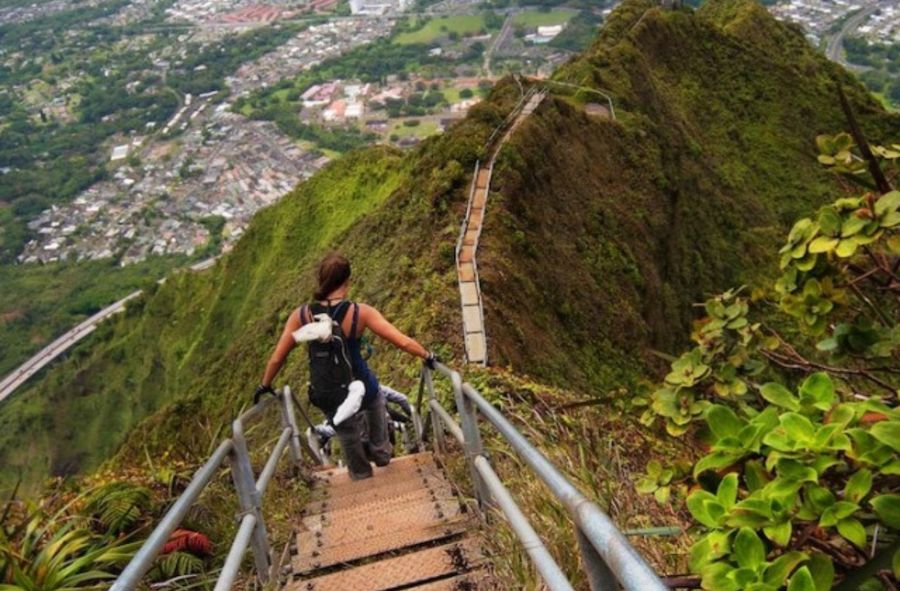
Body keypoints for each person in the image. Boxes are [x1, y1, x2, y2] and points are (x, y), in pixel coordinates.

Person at [255, 252, 437, 480]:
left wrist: (265, 384)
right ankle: (380, 452)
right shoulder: (360, 312)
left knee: (347, 434)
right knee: (376, 404)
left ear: (321, 280)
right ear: (347, 281)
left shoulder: (302, 315)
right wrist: (427, 355)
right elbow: (401, 341)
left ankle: (361, 475)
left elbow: (277, 357)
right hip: (363, 385)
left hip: (328, 391)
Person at [307, 384, 414, 464]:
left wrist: (316, 429)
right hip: (385, 431)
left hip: (362, 442)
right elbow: (402, 399)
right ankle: (391, 460)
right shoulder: (375, 388)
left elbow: (336, 429)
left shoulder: (346, 403)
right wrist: (411, 416)